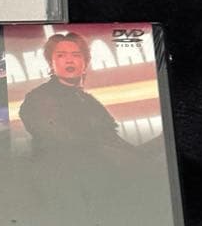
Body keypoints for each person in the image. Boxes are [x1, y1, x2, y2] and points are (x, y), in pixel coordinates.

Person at [18, 32, 133, 162]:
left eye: (76, 55)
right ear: (51, 64)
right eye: (61, 55)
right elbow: (62, 143)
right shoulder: (38, 98)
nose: (69, 60)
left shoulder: (90, 103)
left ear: (85, 64)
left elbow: (114, 141)